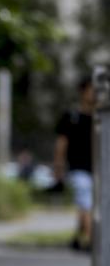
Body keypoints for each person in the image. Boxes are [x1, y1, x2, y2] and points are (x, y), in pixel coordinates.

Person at [53, 76, 94, 252]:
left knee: (90, 205)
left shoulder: (103, 118)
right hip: (79, 168)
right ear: (83, 91)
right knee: (86, 202)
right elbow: (61, 143)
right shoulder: (72, 117)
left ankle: (77, 237)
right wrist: (58, 167)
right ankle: (95, 241)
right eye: (92, 90)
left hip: (100, 169)